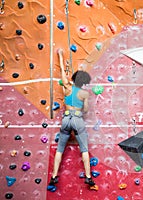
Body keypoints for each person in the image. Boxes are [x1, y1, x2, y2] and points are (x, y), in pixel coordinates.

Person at [49, 49, 95, 187]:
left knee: (60, 149)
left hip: (66, 119)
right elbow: (85, 110)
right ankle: (88, 177)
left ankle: (54, 176)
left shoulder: (67, 87)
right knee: (84, 149)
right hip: (77, 119)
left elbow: (63, 73)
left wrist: (60, 56)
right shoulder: (84, 93)